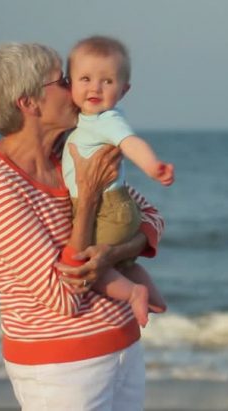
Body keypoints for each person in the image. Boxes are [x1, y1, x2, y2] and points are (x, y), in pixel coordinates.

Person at [0, 42, 164, 410]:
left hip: (123, 347)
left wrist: (116, 252)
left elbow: (150, 216)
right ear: (28, 103)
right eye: (61, 80)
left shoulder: (69, 154)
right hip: (60, 367)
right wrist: (86, 200)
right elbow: (64, 296)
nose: (76, 86)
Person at [61, 35, 172, 327]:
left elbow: (130, 142)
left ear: (124, 90)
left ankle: (134, 293)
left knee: (90, 266)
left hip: (106, 209)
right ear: (68, 83)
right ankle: (155, 299)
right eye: (85, 78)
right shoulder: (86, 119)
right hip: (117, 207)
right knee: (126, 262)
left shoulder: (107, 120)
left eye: (107, 81)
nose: (95, 87)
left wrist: (152, 167)